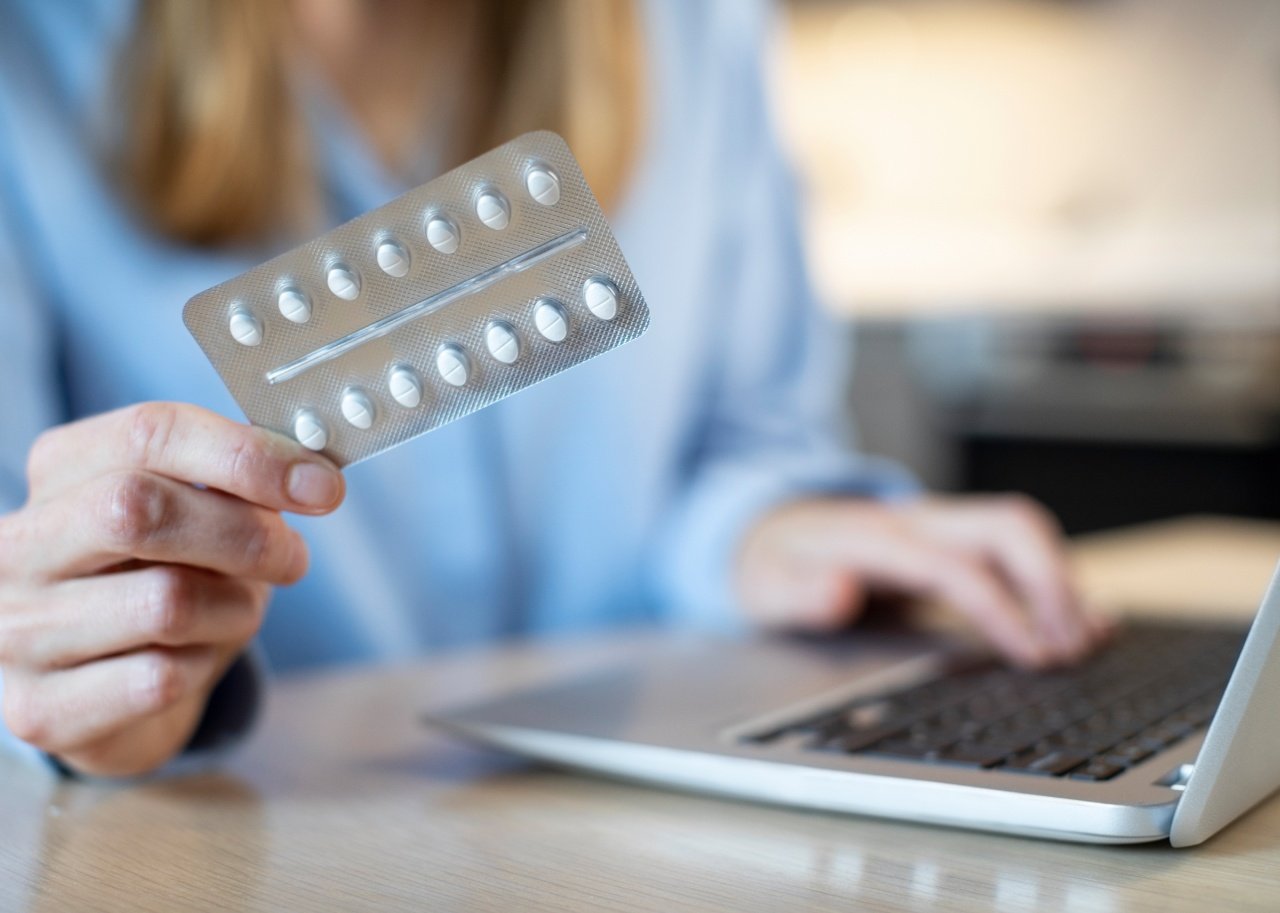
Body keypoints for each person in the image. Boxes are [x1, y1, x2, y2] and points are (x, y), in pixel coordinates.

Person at [0, 0, 1106, 779]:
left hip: (641, 817)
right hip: (257, 838)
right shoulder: (27, 60)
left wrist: (764, 530)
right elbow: (21, 593)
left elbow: (746, 434)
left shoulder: (695, 25)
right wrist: (89, 679)